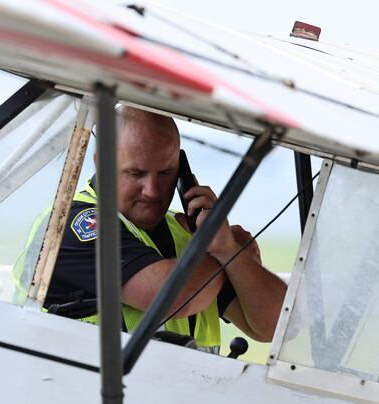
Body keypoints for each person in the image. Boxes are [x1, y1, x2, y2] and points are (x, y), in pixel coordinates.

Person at [41, 107, 287, 353]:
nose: (153, 190)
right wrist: (224, 252)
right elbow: (176, 298)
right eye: (135, 173)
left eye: (165, 173)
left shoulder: (190, 238)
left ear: (181, 171)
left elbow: (277, 326)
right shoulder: (73, 224)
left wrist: (229, 251)